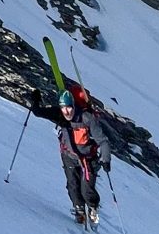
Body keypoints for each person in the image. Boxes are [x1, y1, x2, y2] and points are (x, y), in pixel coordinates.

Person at [30, 86, 112, 224]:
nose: (66, 111)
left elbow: (103, 141)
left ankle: (92, 207)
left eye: (69, 107)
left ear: (74, 106)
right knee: (73, 186)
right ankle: (79, 209)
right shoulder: (60, 115)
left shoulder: (87, 118)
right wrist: (35, 99)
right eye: (63, 107)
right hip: (69, 156)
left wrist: (106, 159)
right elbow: (38, 112)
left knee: (86, 189)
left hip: (88, 159)